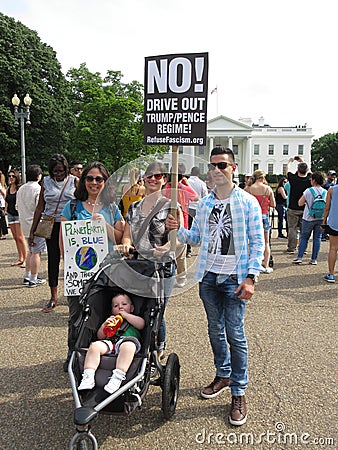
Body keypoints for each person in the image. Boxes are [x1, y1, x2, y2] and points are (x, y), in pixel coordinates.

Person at [166, 146, 264, 426]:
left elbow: (258, 243)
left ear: (233, 168)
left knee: (235, 333)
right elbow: (195, 238)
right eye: (213, 166)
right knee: (214, 330)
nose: (217, 170)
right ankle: (223, 374)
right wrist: (177, 228)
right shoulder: (206, 204)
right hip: (209, 276)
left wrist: (251, 277)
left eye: (222, 165)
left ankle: (238, 391)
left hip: (235, 278)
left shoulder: (247, 203)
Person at [61, 161, 125, 371]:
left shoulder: (112, 208)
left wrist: (103, 225)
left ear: (106, 182)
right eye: (90, 178)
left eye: (99, 179)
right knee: (77, 314)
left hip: (107, 270)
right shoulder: (71, 206)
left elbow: (119, 238)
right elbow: (63, 238)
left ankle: (101, 353)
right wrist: (68, 263)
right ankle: (75, 352)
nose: (94, 182)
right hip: (79, 270)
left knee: (104, 311)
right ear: (83, 181)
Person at [121, 161, 182, 359]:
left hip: (162, 266)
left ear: (164, 180)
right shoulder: (135, 207)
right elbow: (127, 234)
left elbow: (180, 238)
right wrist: (126, 244)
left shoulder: (172, 207)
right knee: (139, 305)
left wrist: (165, 248)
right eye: (150, 176)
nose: (153, 179)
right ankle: (138, 342)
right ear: (144, 179)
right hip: (139, 265)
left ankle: (158, 342)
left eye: (158, 176)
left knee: (158, 307)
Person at [29, 154, 77, 312]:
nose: (58, 174)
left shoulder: (73, 181)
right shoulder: (46, 182)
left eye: (61, 171)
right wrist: (33, 230)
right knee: (53, 260)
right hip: (51, 224)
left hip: (69, 225)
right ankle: (53, 296)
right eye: (55, 171)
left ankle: (73, 295)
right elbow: (40, 207)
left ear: (66, 169)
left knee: (72, 261)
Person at [78, 293, 145, 393]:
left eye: (124, 304)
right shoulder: (111, 320)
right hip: (110, 343)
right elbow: (100, 336)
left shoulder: (133, 318)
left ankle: (117, 377)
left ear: (132, 308)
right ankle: (88, 375)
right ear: (112, 310)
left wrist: (126, 316)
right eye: (116, 306)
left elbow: (142, 324)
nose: (120, 307)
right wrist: (105, 325)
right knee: (95, 346)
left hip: (127, 341)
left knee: (128, 346)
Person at [164, 163, 198, 287]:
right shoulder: (184, 188)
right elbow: (195, 197)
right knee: (181, 254)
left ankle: (167, 276)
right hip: (182, 222)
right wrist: (187, 183)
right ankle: (181, 278)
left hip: (165, 222)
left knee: (166, 250)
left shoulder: (165, 188)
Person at [16, 165, 47, 287]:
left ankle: (28, 275)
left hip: (24, 223)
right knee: (36, 252)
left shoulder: (21, 189)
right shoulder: (38, 189)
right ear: (39, 176)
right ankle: (33, 278)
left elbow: (17, 207)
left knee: (31, 251)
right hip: (36, 224)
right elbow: (39, 208)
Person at [292, 172, 327, 265]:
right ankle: (314, 259)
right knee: (317, 238)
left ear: (314, 180)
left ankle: (299, 257)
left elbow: (300, 203)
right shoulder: (325, 192)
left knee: (304, 237)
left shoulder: (308, 191)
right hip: (321, 217)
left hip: (308, 217)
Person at [245, 170, 276, 273]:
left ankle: (251, 264)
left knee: (250, 241)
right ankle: (266, 265)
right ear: (263, 178)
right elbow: (273, 204)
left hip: (252, 216)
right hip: (264, 215)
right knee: (266, 242)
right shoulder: (268, 189)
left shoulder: (249, 189)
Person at [285, 156, 311, 254]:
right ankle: (302, 247)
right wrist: (302, 161)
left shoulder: (293, 178)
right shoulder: (309, 179)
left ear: (298, 170)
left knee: (292, 228)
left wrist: (290, 162)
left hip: (292, 207)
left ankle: (291, 247)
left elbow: (287, 171)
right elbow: (309, 171)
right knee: (303, 229)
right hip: (305, 207)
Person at [5, 170, 27, 266]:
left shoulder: (20, 188)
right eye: (9, 176)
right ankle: (20, 257)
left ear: (16, 177)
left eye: (13, 176)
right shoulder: (8, 188)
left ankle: (26, 259)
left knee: (20, 237)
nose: (11, 177)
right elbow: (7, 200)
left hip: (18, 214)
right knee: (15, 238)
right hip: (10, 214)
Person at [186, 166, 208, 257]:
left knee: (188, 228)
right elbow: (205, 196)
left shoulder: (187, 182)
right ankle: (203, 248)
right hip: (198, 207)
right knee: (201, 228)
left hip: (189, 206)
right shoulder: (201, 183)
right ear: (199, 174)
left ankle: (188, 250)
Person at [321, 183, 338, 283]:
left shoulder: (331, 189)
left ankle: (331, 274)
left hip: (334, 222)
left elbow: (327, 207)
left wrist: (324, 221)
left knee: (333, 248)